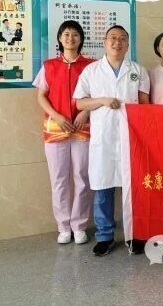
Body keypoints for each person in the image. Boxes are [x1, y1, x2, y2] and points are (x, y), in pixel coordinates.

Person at [74, 25, 150, 257]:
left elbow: (145, 105)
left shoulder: (138, 71)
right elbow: (79, 103)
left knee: (134, 189)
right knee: (103, 187)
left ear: (128, 44)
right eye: (113, 38)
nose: (117, 42)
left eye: (122, 39)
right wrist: (102, 100)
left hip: (132, 138)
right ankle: (105, 236)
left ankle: (135, 234)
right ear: (105, 43)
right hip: (104, 138)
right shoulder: (91, 71)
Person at [32, 20, 98, 245]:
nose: (70, 38)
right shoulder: (49, 66)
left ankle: (79, 225)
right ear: (60, 38)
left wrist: (85, 113)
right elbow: (42, 96)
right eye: (66, 34)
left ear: (81, 39)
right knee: (59, 180)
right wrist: (57, 116)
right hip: (55, 129)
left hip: (82, 127)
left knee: (82, 178)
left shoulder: (91, 66)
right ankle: (63, 227)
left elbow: (96, 96)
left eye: (75, 34)